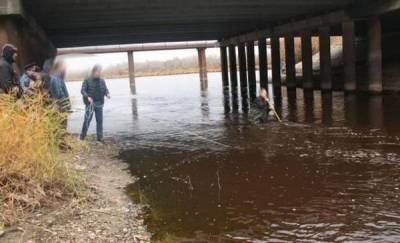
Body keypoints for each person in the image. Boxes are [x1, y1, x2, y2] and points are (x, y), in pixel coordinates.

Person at [80, 65, 110, 142]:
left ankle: (100, 138)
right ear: (93, 71)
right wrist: (87, 97)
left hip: (99, 103)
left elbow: (105, 89)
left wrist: (107, 94)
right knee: (87, 120)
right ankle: (82, 137)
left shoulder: (102, 80)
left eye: (99, 71)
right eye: (97, 71)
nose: (98, 73)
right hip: (89, 104)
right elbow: (82, 91)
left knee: (100, 121)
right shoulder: (87, 79)